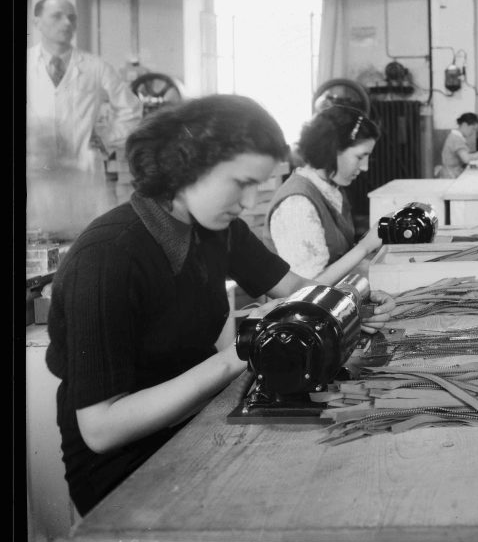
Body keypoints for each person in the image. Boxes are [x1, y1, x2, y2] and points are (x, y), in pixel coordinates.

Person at [44, 95, 397, 517]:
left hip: (197, 422)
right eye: (240, 183)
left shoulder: (216, 229)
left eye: (258, 185)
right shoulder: (108, 255)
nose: (249, 202)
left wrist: (351, 297)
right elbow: (102, 428)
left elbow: (292, 286)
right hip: (126, 470)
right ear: (187, 163)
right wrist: (241, 354)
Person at [27, 0, 144, 234]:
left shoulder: (95, 66)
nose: (67, 23)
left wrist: (106, 137)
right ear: (36, 22)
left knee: (88, 239)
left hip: (83, 172)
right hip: (34, 172)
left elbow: (131, 109)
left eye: (71, 17)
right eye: (57, 16)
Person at [267, 105, 384, 284]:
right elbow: (306, 290)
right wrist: (364, 247)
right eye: (360, 157)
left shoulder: (330, 188)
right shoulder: (297, 204)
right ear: (332, 150)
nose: (365, 167)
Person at [439, 112, 478, 178]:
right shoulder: (456, 138)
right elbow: (466, 158)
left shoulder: (456, 136)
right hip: (451, 175)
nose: (473, 132)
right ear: (465, 125)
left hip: (452, 172)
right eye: (473, 129)